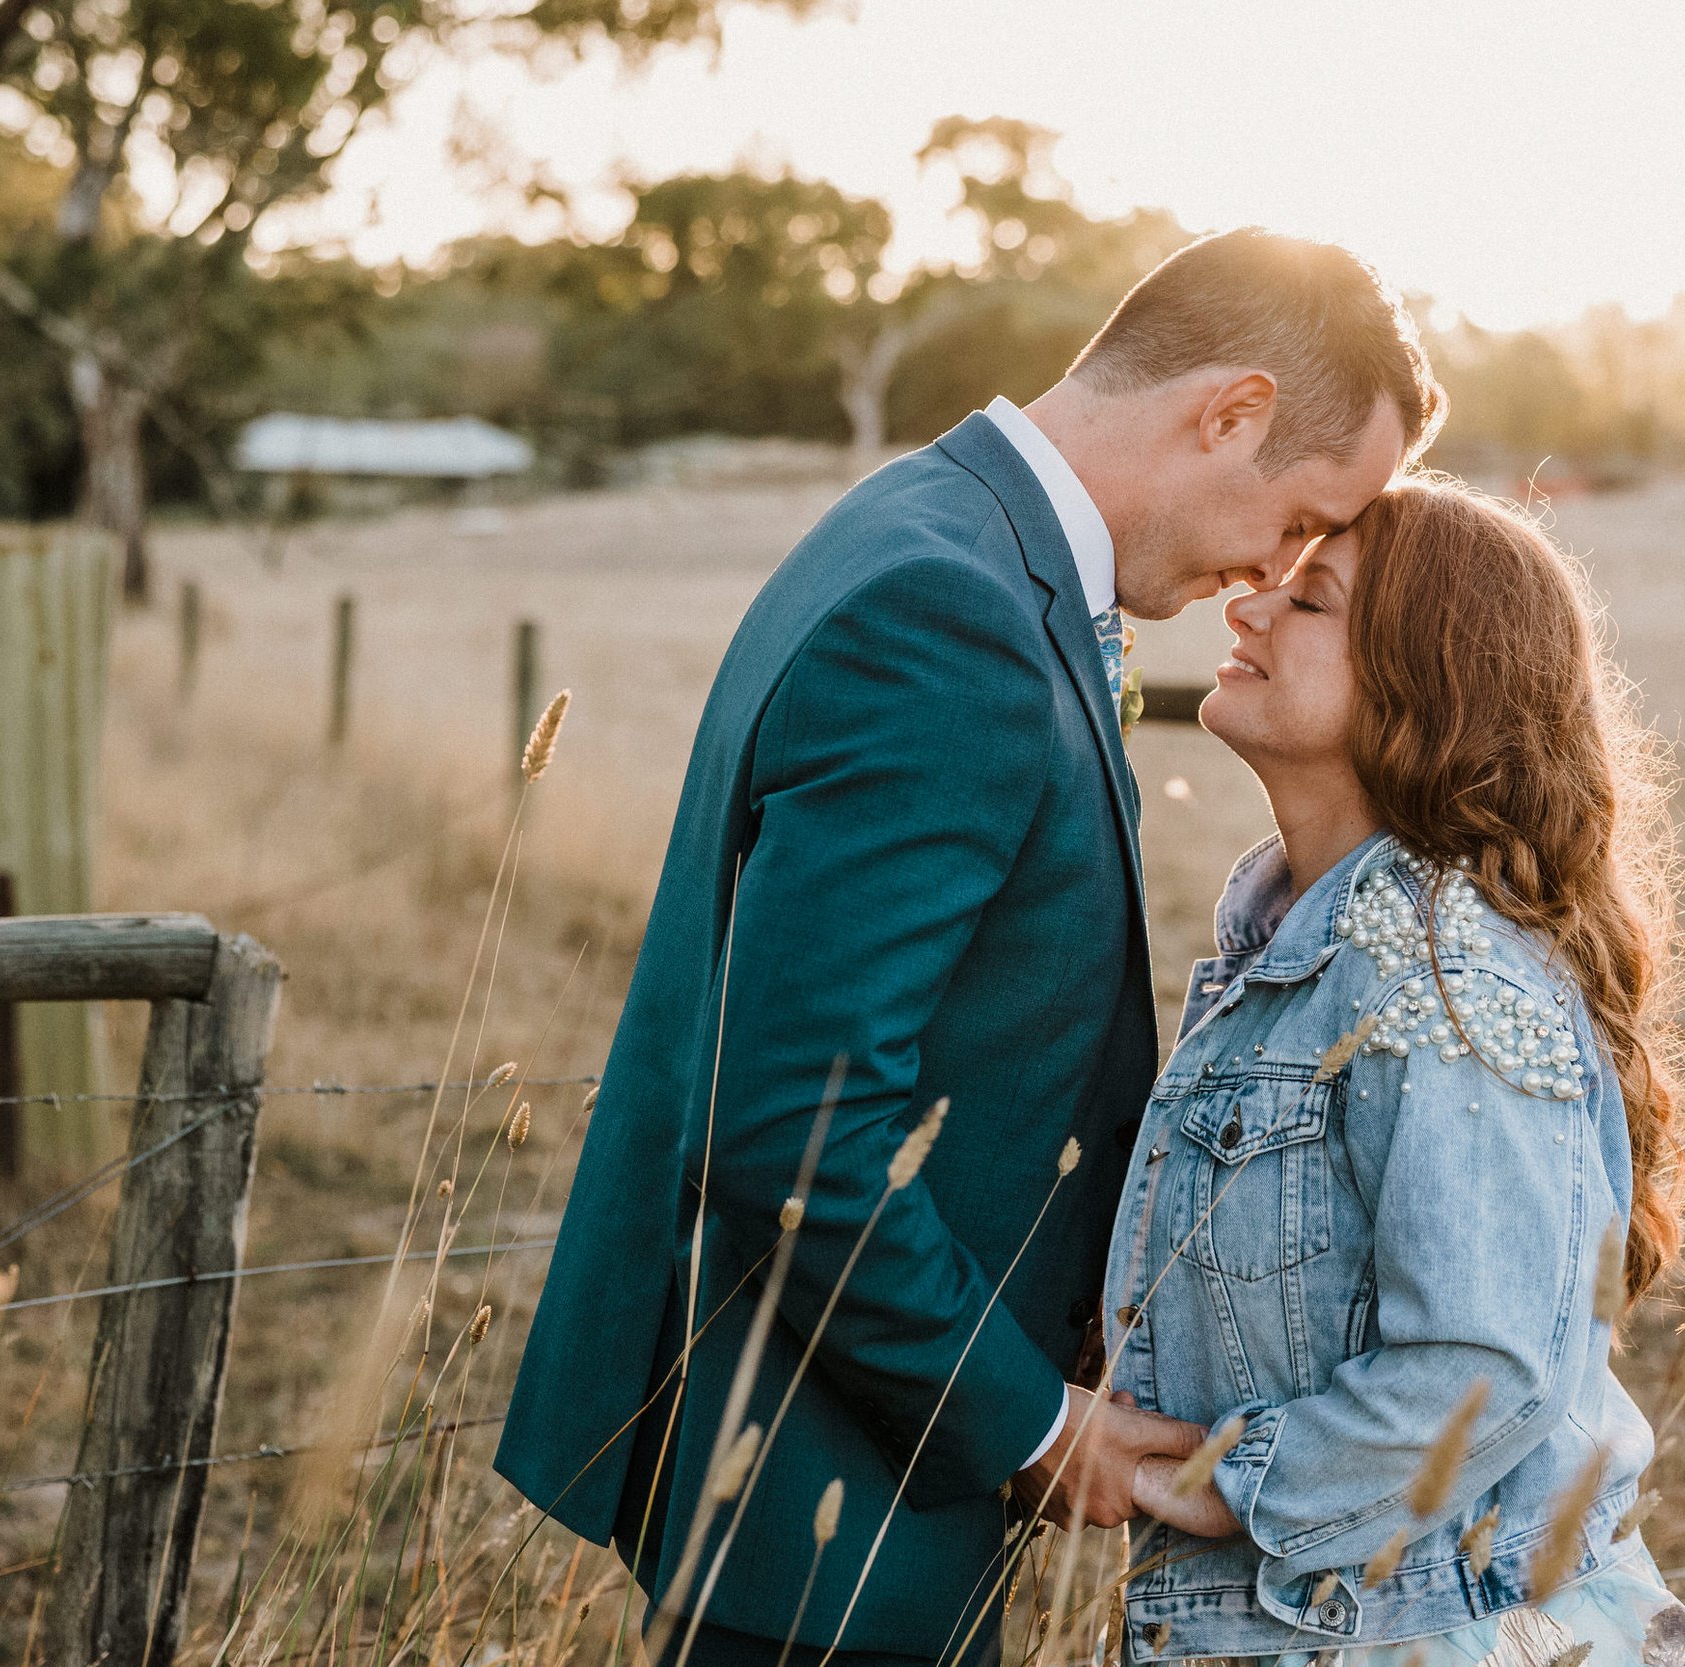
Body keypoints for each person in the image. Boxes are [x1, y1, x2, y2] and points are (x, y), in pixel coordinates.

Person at [494, 228, 1446, 1667]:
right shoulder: (955, 615)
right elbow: (799, 1126)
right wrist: (1026, 1418)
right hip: (820, 1503)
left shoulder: (937, 527)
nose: (1279, 566)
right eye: (1304, 514)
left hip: (842, 1474)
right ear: (1231, 411)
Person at [1103, 478, 1685, 1665]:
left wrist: (1212, 1481)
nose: (1247, 612)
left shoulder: (1438, 973)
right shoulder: (1309, 949)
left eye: (1311, 599)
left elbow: (1485, 1362)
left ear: (1419, 683)